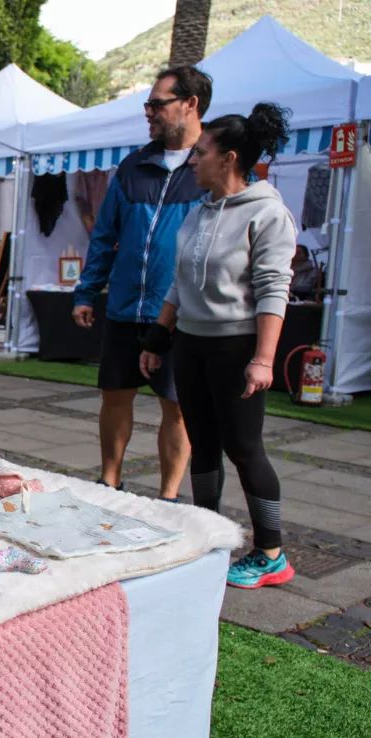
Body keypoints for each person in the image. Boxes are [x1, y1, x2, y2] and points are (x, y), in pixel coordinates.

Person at [140, 102, 297, 588]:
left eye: (201, 152)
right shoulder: (199, 212)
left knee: (244, 448)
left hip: (236, 349)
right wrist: (158, 336)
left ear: (228, 159)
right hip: (191, 344)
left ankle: (271, 553)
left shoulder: (268, 214)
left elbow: (274, 289)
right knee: (203, 443)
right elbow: (178, 283)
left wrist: (263, 360)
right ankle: (209, 534)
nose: (192, 160)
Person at [72, 66, 213, 500]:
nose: (149, 112)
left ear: (189, 104)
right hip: (124, 308)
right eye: (148, 104)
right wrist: (87, 290)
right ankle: (110, 480)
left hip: (178, 315)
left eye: (157, 103)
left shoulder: (210, 165)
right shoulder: (134, 166)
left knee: (178, 408)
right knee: (114, 395)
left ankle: (169, 497)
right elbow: (105, 235)